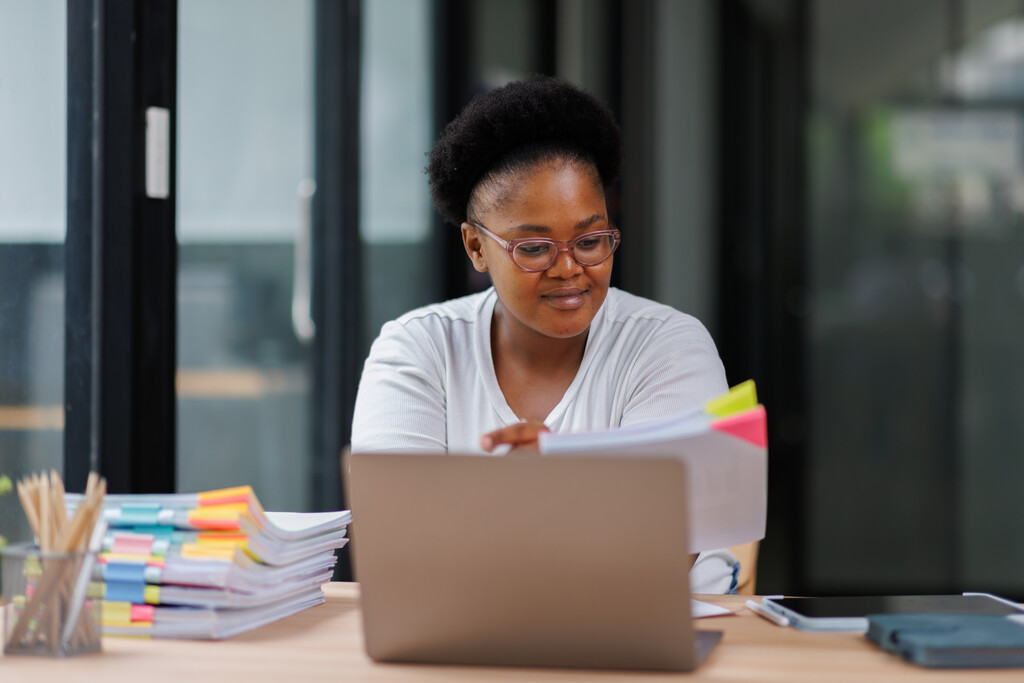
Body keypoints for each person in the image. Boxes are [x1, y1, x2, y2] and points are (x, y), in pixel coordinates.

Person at [350, 75, 738, 593]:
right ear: (475, 247)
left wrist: (553, 495)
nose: (569, 269)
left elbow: (661, 553)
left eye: (591, 239)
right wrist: (578, 509)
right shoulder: (415, 353)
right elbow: (399, 553)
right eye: (533, 248)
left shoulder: (669, 348)